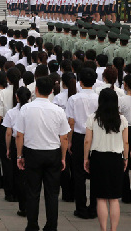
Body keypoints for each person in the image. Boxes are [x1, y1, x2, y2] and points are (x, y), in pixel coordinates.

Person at [15, 76, 70, 231]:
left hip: (32, 153)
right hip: (53, 153)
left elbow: (19, 135)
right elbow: (64, 137)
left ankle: (32, 225)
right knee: (52, 194)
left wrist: (20, 155)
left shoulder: (26, 108)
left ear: (36, 90)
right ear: (51, 91)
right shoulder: (58, 110)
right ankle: (51, 226)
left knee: (32, 192)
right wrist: (63, 157)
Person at [84, 88, 129, 231]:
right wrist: (126, 158)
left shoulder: (93, 118)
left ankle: (103, 229)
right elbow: (126, 142)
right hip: (116, 158)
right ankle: (113, 229)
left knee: (101, 198)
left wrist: (86, 158)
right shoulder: (122, 119)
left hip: (98, 158)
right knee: (114, 198)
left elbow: (87, 141)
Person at [66, 67, 99, 219]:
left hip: (79, 137)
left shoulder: (74, 99)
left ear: (80, 82)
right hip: (96, 137)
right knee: (95, 173)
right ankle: (94, 208)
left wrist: (69, 141)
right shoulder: (99, 97)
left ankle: (80, 207)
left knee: (78, 172)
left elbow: (71, 122)